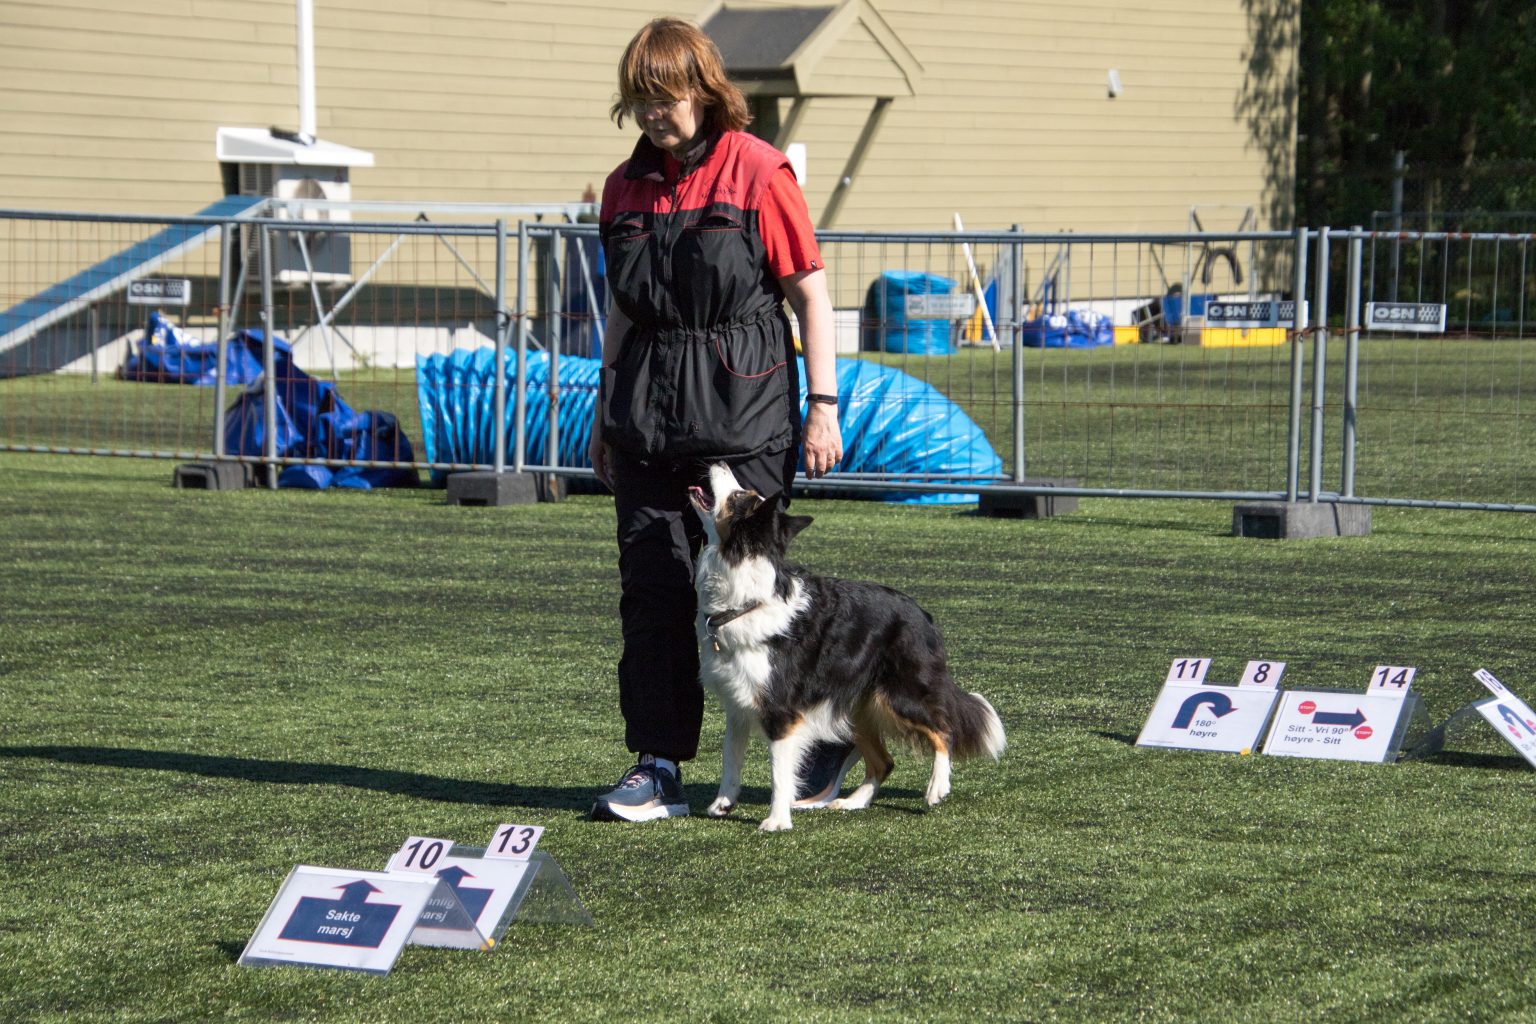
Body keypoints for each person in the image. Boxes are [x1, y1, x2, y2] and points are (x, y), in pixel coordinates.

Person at [587, 16, 859, 821]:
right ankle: (658, 763)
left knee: (759, 601)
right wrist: (605, 412)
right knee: (653, 594)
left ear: (703, 90)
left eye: (664, 99)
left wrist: (823, 406)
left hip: (747, 421)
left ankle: (823, 736)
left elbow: (809, 292)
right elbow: (620, 312)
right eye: (639, 101)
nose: (652, 115)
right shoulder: (621, 188)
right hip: (644, 422)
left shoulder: (758, 171)